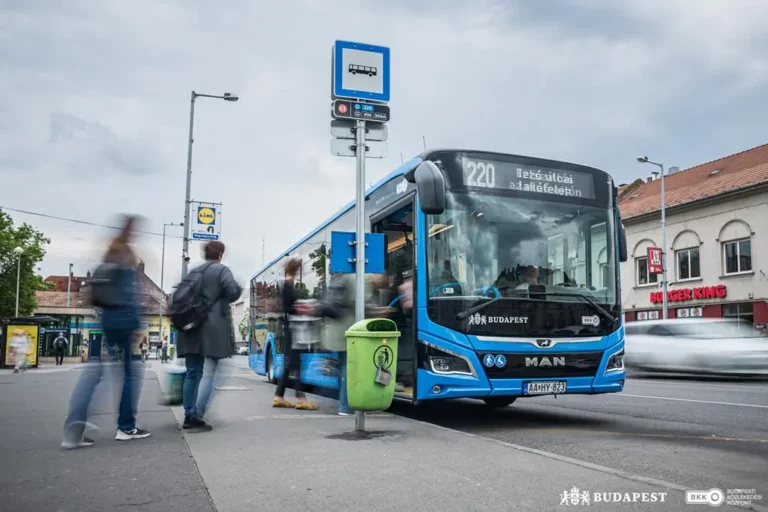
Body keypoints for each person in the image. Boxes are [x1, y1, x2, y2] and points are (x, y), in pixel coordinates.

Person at [61, 215, 150, 449]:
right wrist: (136, 325)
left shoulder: (107, 256)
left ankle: (74, 430)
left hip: (108, 321)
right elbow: (129, 297)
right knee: (131, 373)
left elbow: (94, 296)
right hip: (124, 322)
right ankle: (126, 426)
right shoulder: (126, 258)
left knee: (95, 373)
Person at [177, 241, 243, 431]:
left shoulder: (193, 272)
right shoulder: (221, 270)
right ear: (221, 254)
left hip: (190, 327)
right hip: (211, 330)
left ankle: (189, 413)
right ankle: (197, 414)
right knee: (214, 372)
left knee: (193, 373)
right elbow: (231, 293)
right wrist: (238, 287)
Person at [272, 258, 318, 410]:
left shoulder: (286, 285)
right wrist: (303, 308)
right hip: (293, 329)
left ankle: (279, 396)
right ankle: (301, 398)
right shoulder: (287, 286)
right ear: (295, 269)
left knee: (290, 364)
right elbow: (288, 308)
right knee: (296, 364)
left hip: (290, 329)